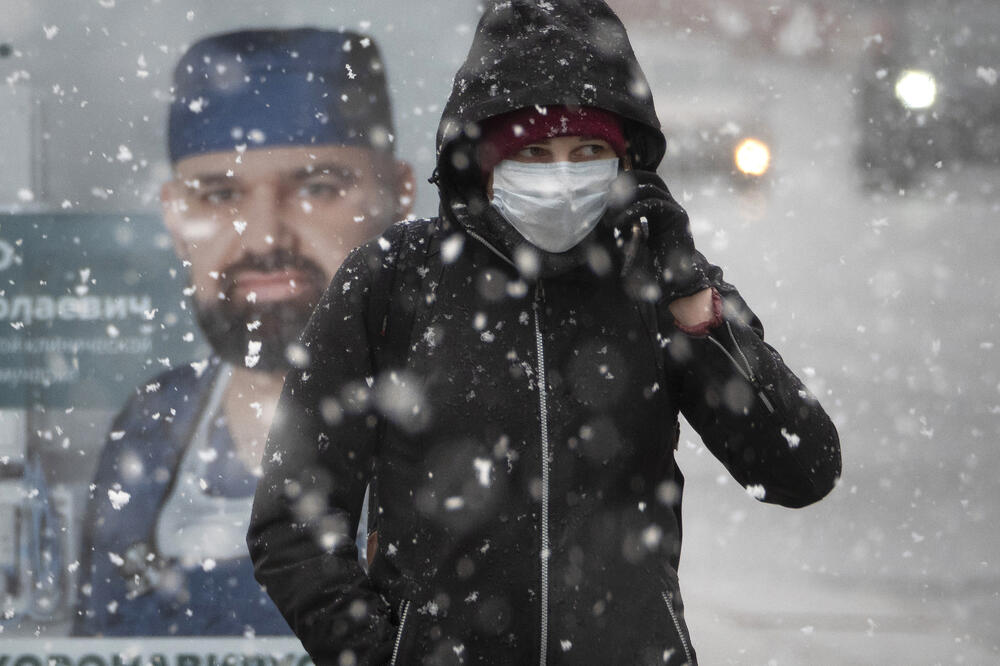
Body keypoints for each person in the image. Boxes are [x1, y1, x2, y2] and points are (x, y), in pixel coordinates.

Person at [248, 2, 841, 664]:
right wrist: (383, 654)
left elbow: (800, 469)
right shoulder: (395, 280)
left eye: (589, 151)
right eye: (534, 151)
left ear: (625, 166)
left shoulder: (658, 284)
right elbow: (292, 523)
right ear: (485, 163)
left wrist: (695, 303)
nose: (563, 175)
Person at [73, 27, 412, 637]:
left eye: (317, 187)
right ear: (176, 217)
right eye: (219, 194)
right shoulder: (154, 425)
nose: (264, 237)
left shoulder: (470, 411)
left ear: (400, 195)